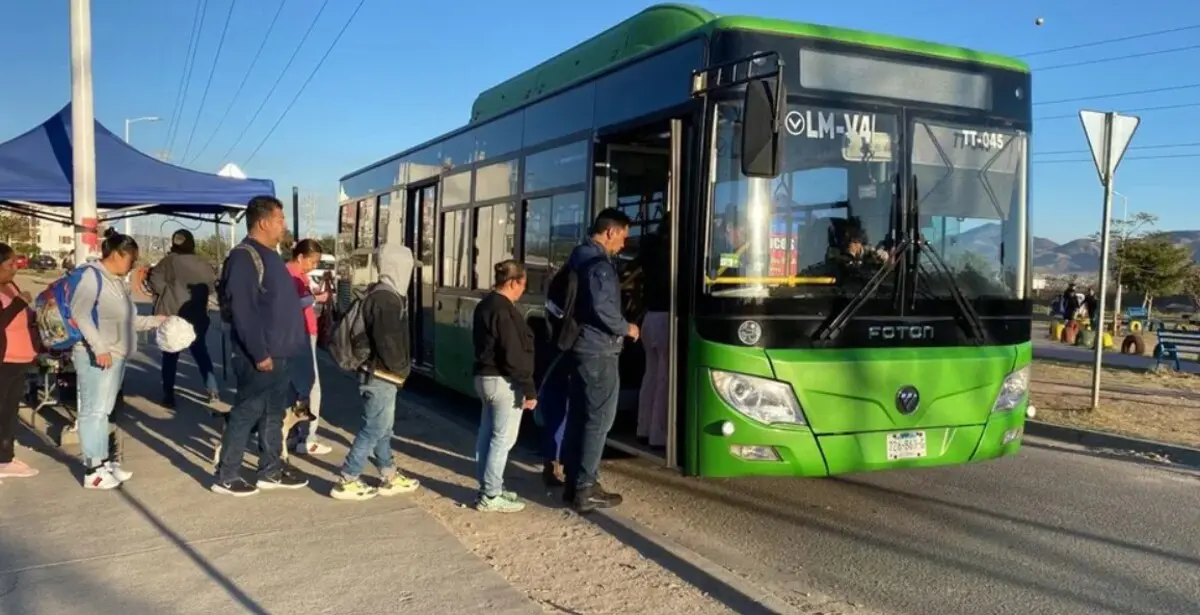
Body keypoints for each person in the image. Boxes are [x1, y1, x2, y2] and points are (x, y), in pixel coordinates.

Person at [215, 196, 308, 496]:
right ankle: (227, 475)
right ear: (264, 221)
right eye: (280, 220)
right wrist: (259, 352)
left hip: (280, 353)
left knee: (273, 414)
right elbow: (245, 310)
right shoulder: (244, 257)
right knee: (247, 412)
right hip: (261, 356)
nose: (284, 225)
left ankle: (270, 469)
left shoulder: (270, 255)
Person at [558, 209, 640, 513]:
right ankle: (586, 487)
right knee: (599, 421)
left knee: (580, 415)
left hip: (580, 347)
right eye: (622, 237)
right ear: (609, 232)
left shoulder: (578, 255)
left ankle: (572, 482)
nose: (623, 245)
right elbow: (603, 308)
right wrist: (626, 328)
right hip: (599, 350)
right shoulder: (600, 266)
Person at [71, 230, 166, 489]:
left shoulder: (116, 282)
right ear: (116, 254)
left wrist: (158, 321)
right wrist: (99, 347)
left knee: (105, 411)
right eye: (131, 258)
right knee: (94, 411)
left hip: (116, 355)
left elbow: (129, 320)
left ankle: (104, 462)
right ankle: (94, 469)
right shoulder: (92, 277)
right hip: (97, 355)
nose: (133, 264)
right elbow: (80, 314)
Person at [330, 241, 420, 501]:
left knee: (382, 428)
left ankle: (388, 474)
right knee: (373, 428)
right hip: (381, 375)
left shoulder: (379, 293)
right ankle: (348, 478)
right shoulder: (386, 299)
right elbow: (388, 342)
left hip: (376, 373)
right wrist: (402, 370)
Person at [471, 260, 536, 512]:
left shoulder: (485, 305)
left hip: (484, 379)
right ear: (513, 282)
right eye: (522, 285)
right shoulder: (505, 310)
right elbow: (513, 354)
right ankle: (491, 494)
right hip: (503, 382)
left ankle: (488, 486)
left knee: (486, 435)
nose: (523, 290)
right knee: (503, 439)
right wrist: (528, 389)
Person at [148, 229, 219, 408]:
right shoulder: (203, 263)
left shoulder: (168, 261)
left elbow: (154, 282)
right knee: (201, 353)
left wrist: (168, 291)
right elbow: (211, 287)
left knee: (170, 354)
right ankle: (213, 390)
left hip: (173, 315)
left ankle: (168, 394)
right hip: (197, 317)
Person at [285, 239, 332, 456]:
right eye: (312, 261)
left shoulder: (296, 274)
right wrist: (315, 298)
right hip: (301, 333)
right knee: (312, 386)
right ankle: (308, 437)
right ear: (300, 257)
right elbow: (292, 303)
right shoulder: (291, 274)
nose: (314, 266)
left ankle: (293, 434)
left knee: (294, 386)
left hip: (301, 331)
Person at [0, 243, 39, 480]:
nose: (15, 267)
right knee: (2, 411)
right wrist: (19, 304)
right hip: (4, 361)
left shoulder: (10, 286)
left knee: (10, 410)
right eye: (10, 264)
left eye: (16, 263)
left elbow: (23, 316)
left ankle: (6, 455)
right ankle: (3, 460)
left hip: (20, 359)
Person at [636, 215, 670, 449]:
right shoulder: (672, 254)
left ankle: (643, 427)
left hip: (649, 318)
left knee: (650, 375)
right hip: (667, 317)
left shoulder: (650, 249)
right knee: (664, 378)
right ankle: (659, 435)